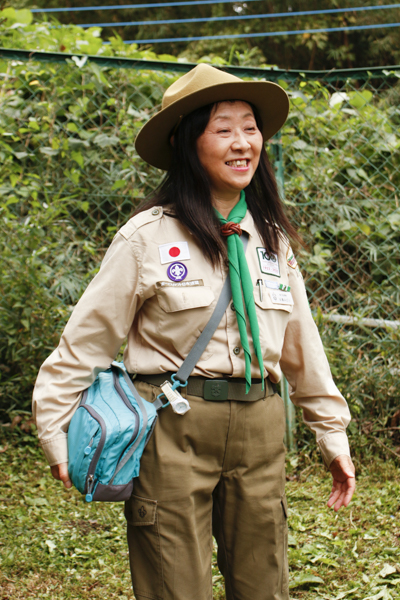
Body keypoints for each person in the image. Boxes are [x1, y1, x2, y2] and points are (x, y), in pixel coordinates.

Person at [33, 63, 355, 600]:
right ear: (188, 142)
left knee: (263, 586)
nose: (242, 142)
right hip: (172, 429)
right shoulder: (147, 238)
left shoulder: (271, 240)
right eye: (223, 128)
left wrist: (331, 433)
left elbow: (301, 346)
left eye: (250, 127)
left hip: (260, 427)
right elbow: (86, 340)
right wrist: (54, 430)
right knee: (173, 585)